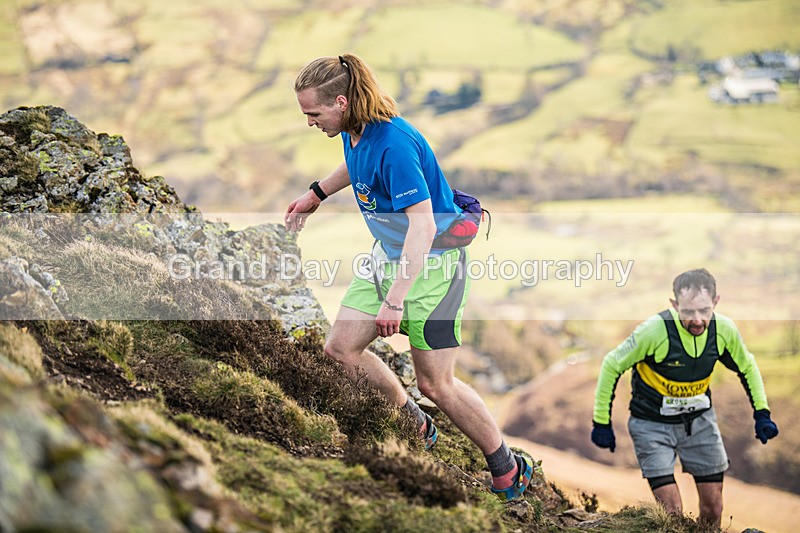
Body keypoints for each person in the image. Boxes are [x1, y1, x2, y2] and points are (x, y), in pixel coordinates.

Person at [283, 53, 532, 501]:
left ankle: (507, 466)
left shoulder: (394, 143)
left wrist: (395, 300)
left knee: (436, 383)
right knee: (340, 350)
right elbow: (357, 165)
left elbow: (424, 225)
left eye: (313, 113)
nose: (310, 122)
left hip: (433, 270)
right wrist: (315, 194)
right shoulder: (354, 128)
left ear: (340, 102)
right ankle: (415, 423)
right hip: (386, 257)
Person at [591, 268, 779, 527]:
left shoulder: (724, 330)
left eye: (704, 310)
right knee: (672, 514)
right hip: (651, 425)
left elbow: (747, 366)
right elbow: (612, 363)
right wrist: (602, 422)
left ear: (716, 302)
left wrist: (762, 414)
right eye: (688, 312)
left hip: (699, 422)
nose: (697, 320)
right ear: (674, 305)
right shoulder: (655, 331)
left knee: (713, 508)